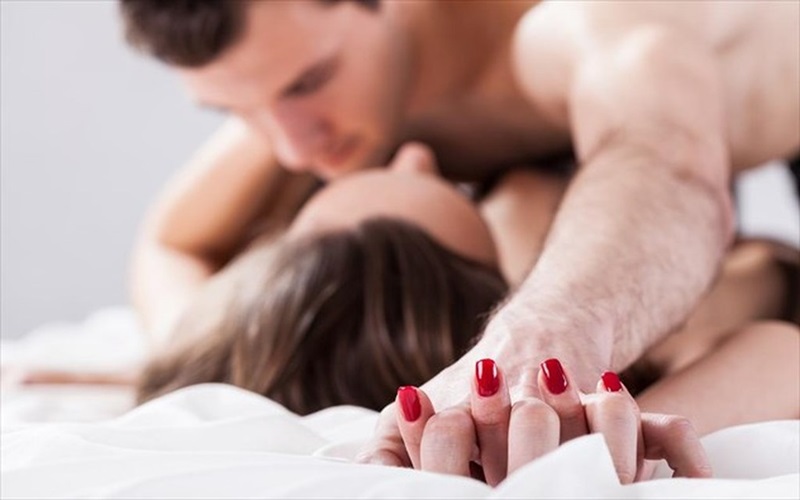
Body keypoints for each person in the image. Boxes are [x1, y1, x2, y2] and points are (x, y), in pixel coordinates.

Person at [118, 0, 800, 468]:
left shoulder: (578, 26)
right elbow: (174, 243)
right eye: (231, 110)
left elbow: (665, 163)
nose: (292, 152)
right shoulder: (296, 81)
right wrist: (231, 350)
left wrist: (543, 338)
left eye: (309, 82)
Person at [131, 154, 797, 483]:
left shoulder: (222, 345)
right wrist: (593, 438)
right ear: (493, 298)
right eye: (454, 194)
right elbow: (779, 353)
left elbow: (169, 240)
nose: (416, 150)